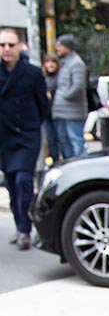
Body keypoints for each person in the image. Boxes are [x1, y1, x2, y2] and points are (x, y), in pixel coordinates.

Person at [0, 27, 49, 250]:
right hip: (4, 137)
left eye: (11, 45)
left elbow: (43, 106)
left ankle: (26, 229)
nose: (7, 50)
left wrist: (32, 126)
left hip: (26, 136)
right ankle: (20, 224)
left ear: (20, 46)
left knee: (23, 181)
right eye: (2, 45)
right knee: (11, 185)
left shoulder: (31, 73)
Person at [51, 33, 88, 159]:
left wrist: (65, 97)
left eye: (60, 46)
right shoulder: (63, 62)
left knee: (75, 140)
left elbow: (78, 85)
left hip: (72, 111)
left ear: (67, 47)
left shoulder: (76, 63)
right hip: (61, 110)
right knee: (64, 140)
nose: (57, 48)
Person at [42, 53, 60, 163]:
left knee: (60, 138)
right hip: (47, 113)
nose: (50, 65)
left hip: (58, 111)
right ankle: (55, 160)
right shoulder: (43, 77)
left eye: (53, 62)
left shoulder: (59, 77)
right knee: (51, 139)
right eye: (48, 62)